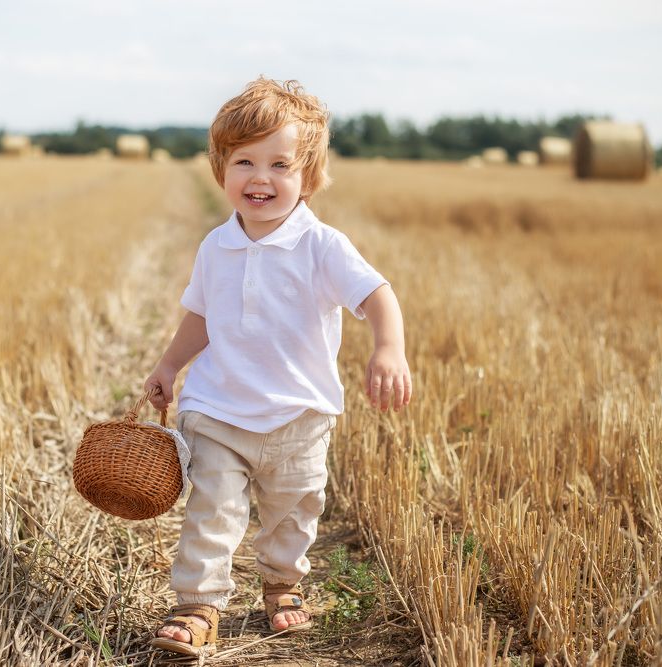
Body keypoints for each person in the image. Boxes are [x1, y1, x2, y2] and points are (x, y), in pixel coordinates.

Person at [144, 77, 412, 658]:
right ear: (221, 169)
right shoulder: (216, 245)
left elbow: (377, 294)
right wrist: (170, 363)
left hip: (299, 414)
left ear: (308, 177)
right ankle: (197, 605)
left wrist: (388, 346)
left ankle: (282, 583)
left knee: (293, 514)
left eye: (279, 164)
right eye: (244, 161)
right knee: (211, 511)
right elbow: (201, 316)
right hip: (218, 408)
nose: (259, 178)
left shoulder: (323, 246)